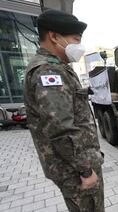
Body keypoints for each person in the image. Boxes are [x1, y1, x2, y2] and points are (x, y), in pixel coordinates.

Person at [24, 9, 104, 212]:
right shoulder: (49, 71)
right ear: (53, 36)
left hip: (73, 165)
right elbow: (61, 129)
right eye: (75, 39)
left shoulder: (57, 66)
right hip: (75, 171)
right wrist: (86, 171)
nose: (79, 46)